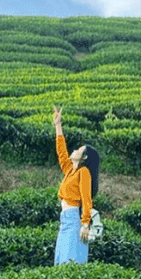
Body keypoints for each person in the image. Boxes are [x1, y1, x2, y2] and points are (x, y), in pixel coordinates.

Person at [52, 105, 100, 265]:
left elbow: (86, 199)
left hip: (74, 220)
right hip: (65, 219)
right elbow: (61, 152)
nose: (75, 150)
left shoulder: (83, 172)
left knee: (69, 261)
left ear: (84, 157)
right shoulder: (69, 170)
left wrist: (85, 224)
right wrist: (58, 125)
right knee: (60, 260)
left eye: (79, 150)